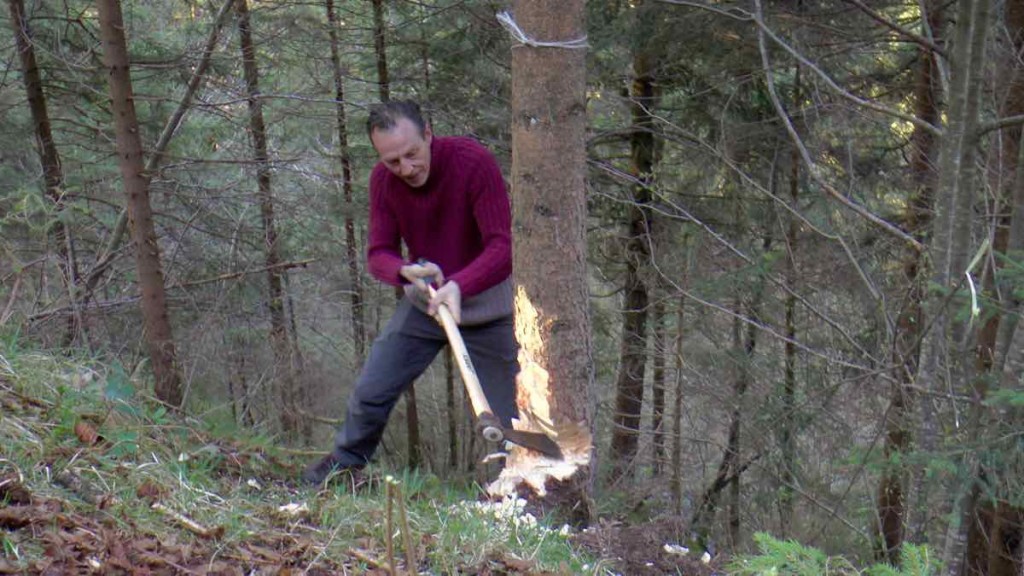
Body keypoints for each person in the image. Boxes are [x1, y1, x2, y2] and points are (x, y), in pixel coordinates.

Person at [303, 100, 519, 486]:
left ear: (428, 135)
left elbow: (503, 247)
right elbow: (378, 254)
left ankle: (516, 492)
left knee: (509, 417)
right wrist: (403, 271)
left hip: (488, 309)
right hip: (427, 306)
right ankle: (343, 468)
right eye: (392, 161)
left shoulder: (473, 163)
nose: (406, 169)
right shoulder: (384, 182)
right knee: (372, 390)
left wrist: (459, 285)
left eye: (412, 154)